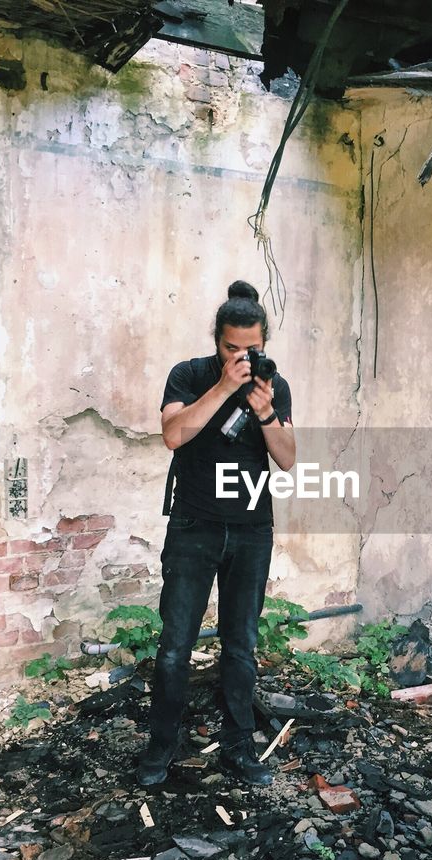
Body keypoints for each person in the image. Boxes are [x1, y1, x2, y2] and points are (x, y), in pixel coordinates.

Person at [138, 280, 296, 787]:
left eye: (252, 348)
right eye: (232, 348)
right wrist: (226, 387)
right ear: (217, 342)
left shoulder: (274, 385)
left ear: (264, 343)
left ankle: (239, 747)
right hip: (194, 527)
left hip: (251, 531)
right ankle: (161, 747)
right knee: (174, 646)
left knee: (240, 647)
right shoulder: (190, 375)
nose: (243, 356)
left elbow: (288, 460)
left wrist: (266, 409)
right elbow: (173, 434)